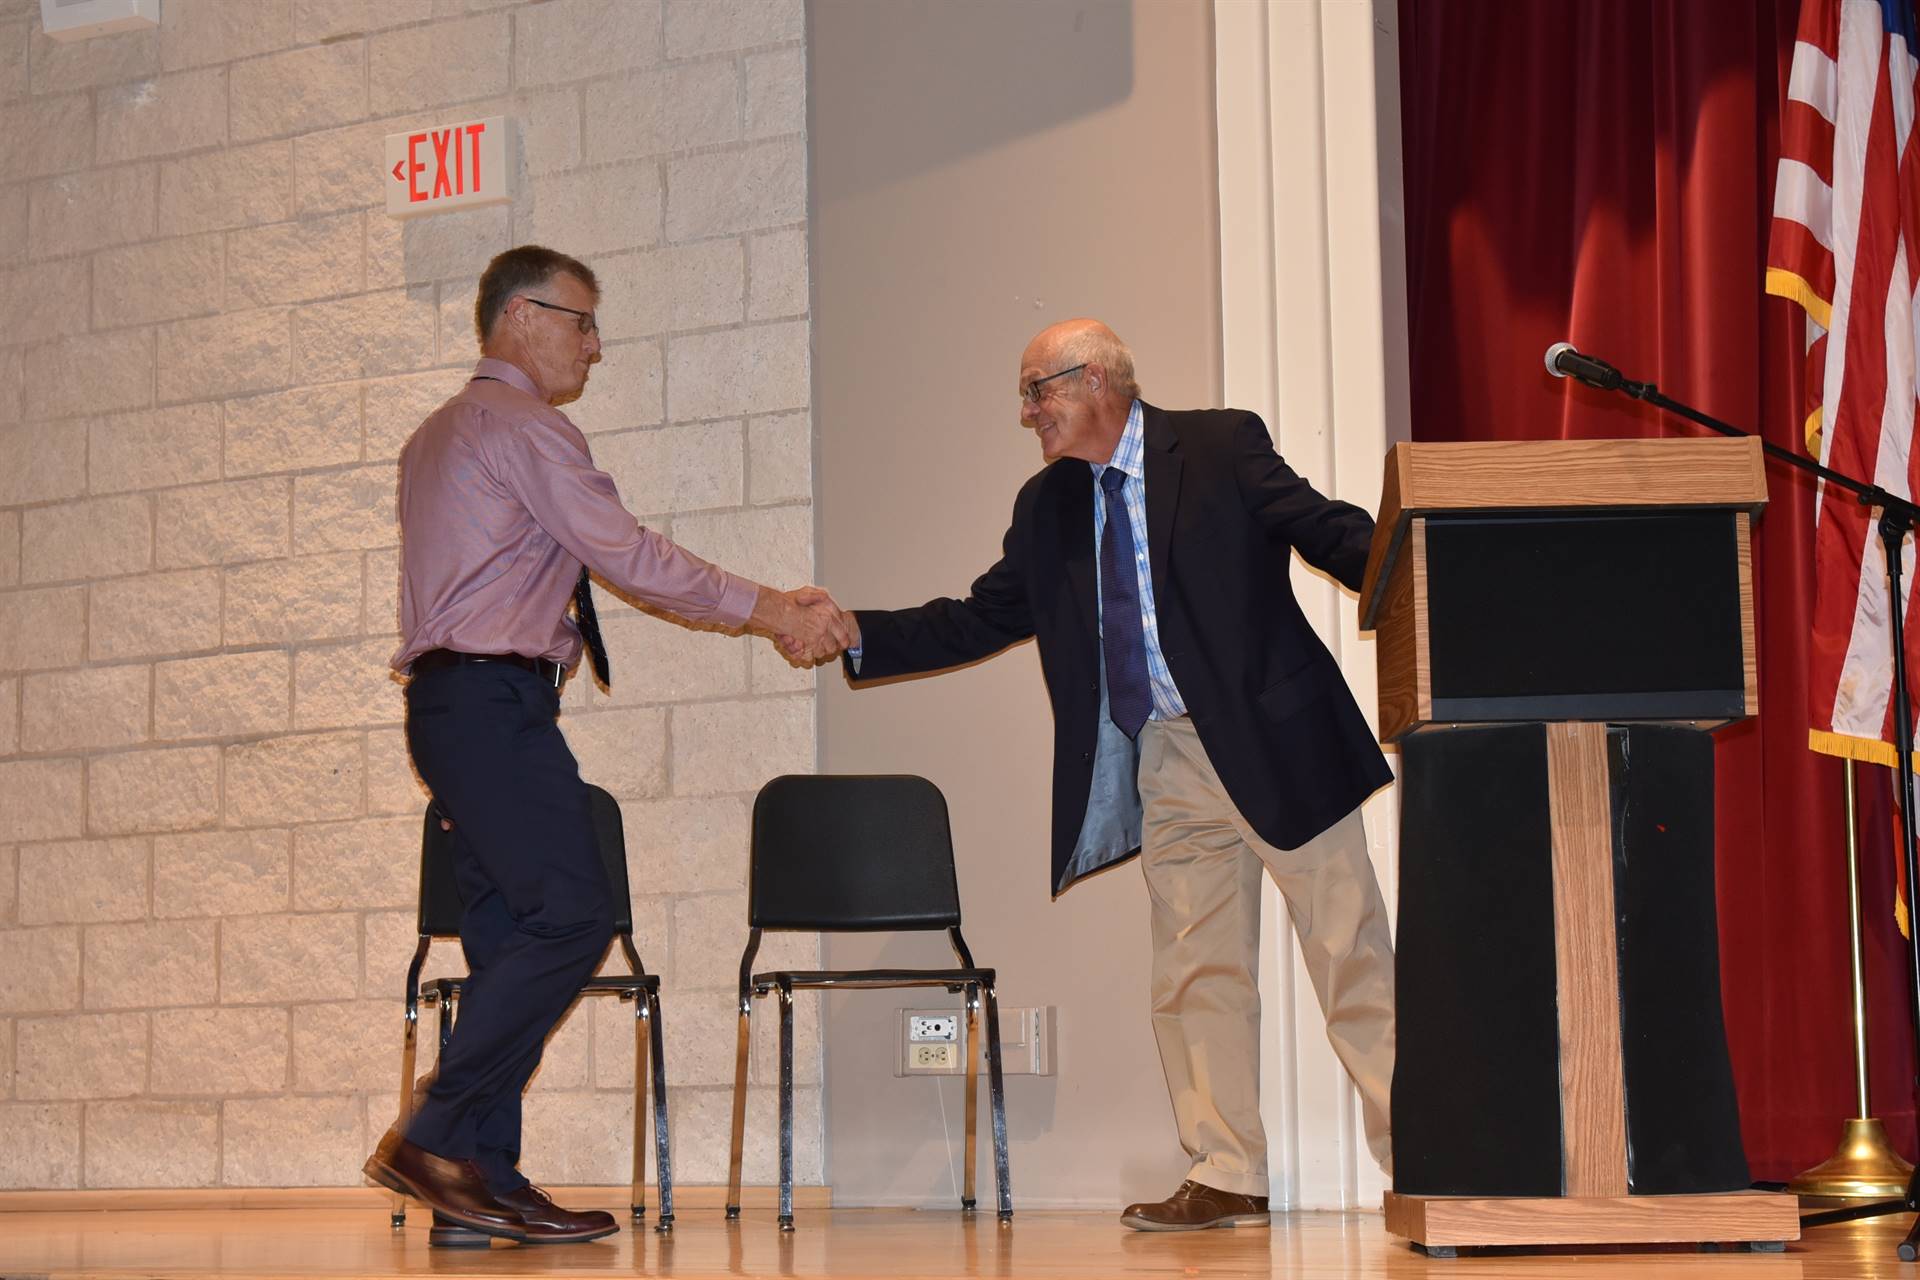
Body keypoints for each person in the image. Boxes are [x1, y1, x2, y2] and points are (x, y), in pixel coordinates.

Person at [829, 319, 1395, 1231]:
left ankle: (1425, 1169)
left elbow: (1323, 531)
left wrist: (1433, 572)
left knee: (1349, 954)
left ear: (1095, 379)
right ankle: (1227, 1171)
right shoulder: (1047, 506)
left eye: (1036, 391)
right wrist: (861, 631)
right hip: (1169, 759)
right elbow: (982, 617)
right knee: (1193, 972)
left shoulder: (1217, 443)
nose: (1027, 414)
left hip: (1279, 741)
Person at [363, 245, 848, 1245]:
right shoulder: (528, 428)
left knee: (507, 935)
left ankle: (474, 1187)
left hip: (455, 714)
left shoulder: (436, 436)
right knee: (575, 916)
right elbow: (627, 554)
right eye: (580, 320)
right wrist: (768, 609)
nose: (593, 342)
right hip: (492, 709)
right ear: (520, 318)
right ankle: (435, 1130)